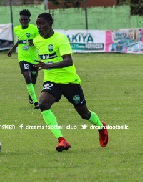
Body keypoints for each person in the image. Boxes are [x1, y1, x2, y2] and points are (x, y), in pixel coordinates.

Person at [33, 13, 108, 152]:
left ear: (50, 23)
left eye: (42, 24)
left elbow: (68, 61)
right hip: (51, 81)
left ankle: (101, 126)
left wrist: (49, 65)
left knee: (84, 114)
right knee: (43, 103)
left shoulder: (60, 39)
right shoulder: (36, 40)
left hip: (69, 81)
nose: (39, 27)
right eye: (38, 24)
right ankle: (62, 140)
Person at [8, 9, 40, 109]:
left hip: (34, 58)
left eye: (25, 20)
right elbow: (20, 39)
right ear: (19, 20)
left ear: (29, 20)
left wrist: (34, 41)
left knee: (34, 78)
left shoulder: (34, 29)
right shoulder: (17, 29)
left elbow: (40, 39)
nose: (23, 21)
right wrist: (12, 48)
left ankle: (31, 95)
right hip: (23, 57)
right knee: (27, 77)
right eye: (22, 20)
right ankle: (35, 102)